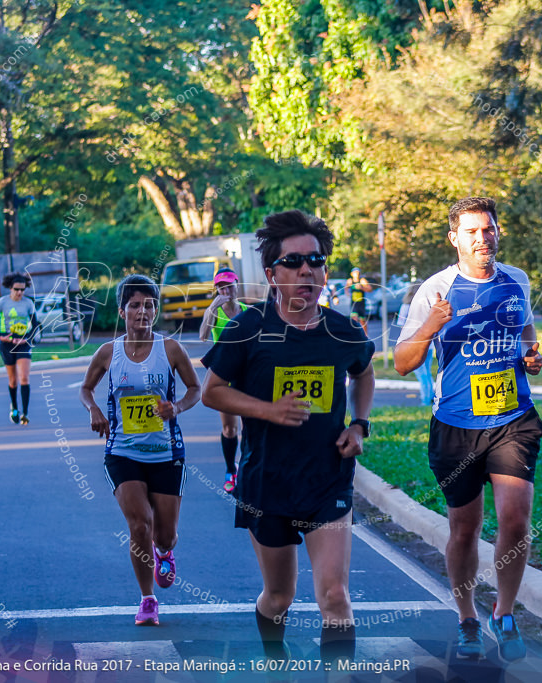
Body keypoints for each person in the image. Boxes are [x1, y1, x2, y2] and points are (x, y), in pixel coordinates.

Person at [201, 210, 375, 664]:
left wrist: (359, 424)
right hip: (267, 483)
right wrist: (268, 411)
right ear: (271, 273)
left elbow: (365, 373)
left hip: (327, 480)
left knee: (334, 595)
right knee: (279, 598)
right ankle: (274, 659)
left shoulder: (342, 330)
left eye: (315, 261)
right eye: (294, 262)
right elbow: (212, 392)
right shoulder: (249, 328)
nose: (306, 271)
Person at [394, 197, 542, 661]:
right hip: (456, 425)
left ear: (498, 232)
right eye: (473, 231)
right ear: (454, 238)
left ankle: (505, 611)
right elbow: (402, 363)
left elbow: (526, 337)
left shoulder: (516, 280)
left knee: (516, 520)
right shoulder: (434, 290)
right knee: (464, 528)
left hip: (512, 419)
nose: (483, 238)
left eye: (490, 229)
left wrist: (533, 358)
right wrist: (431, 325)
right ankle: (466, 616)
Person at [79, 274, 200, 626]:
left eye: (149, 305)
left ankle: (165, 551)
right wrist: (94, 409)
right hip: (122, 452)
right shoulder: (108, 353)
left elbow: (195, 389)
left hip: (166, 454)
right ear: (122, 311)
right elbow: (86, 389)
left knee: (165, 533)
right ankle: (148, 600)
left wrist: (175, 408)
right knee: (139, 525)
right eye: (135, 305)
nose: (143, 312)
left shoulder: (171, 350)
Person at [199, 266, 249, 492]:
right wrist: (212, 308)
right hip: (224, 377)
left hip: (248, 375)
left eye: (229, 284)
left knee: (251, 425)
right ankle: (231, 470)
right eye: (221, 286)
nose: (226, 289)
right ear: (216, 289)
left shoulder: (249, 311)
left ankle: (250, 470)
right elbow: (202, 336)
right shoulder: (215, 312)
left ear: (237, 285)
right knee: (230, 429)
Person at [0, 273, 40, 425]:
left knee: (24, 377)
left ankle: (25, 413)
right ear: (10, 288)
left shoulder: (28, 303)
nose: (20, 293)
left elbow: (35, 325)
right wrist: (1, 335)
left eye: (22, 290)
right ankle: (14, 407)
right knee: (13, 380)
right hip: (7, 343)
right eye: (16, 289)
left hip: (23, 343)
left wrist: (27, 338)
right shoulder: (2, 302)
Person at [397, 281, 434, 407]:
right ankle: (431, 396)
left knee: (421, 373)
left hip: (413, 344)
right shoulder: (428, 305)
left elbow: (401, 325)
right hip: (429, 343)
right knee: (427, 372)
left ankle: (425, 399)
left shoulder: (406, 306)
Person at [345, 267, 372, 334]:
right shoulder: (350, 281)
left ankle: (365, 336)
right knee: (354, 320)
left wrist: (362, 287)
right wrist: (348, 294)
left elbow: (370, 289)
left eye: (358, 272)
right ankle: (356, 336)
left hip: (361, 304)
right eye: (355, 273)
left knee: (362, 321)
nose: (356, 274)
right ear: (352, 274)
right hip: (354, 304)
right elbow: (346, 288)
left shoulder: (362, 281)